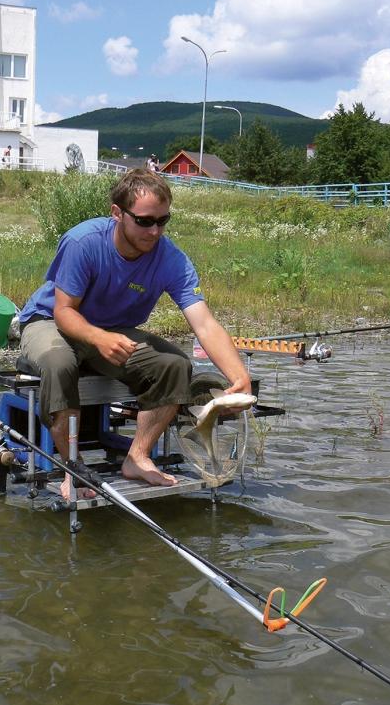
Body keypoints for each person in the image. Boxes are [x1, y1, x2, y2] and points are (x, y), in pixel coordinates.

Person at [17, 167, 252, 501]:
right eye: (144, 221)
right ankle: (73, 467)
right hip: (50, 321)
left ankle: (137, 457)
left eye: (162, 221)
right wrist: (99, 338)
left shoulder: (171, 259)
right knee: (59, 362)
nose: (154, 231)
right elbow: (64, 311)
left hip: (113, 330)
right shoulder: (83, 242)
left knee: (174, 365)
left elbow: (204, 324)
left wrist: (239, 376)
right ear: (118, 213)